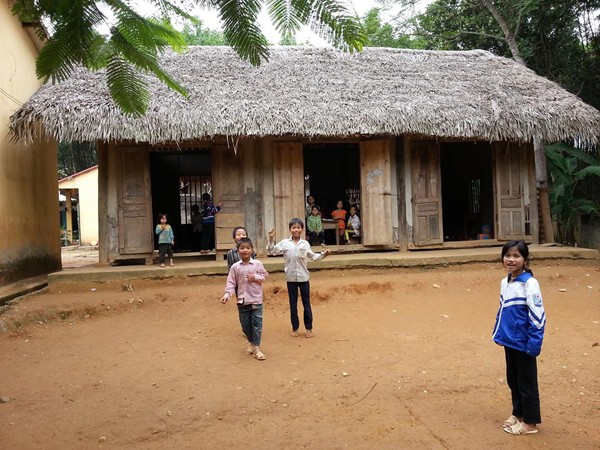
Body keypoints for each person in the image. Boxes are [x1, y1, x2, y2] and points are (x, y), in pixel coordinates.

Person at [492, 240, 546, 435]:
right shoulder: (505, 281)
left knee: (527, 382)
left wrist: (534, 343)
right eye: (507, 255)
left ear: (525, 260)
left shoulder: (530, 284)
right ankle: (519, 414)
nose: (511, 260)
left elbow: (538, 315)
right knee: (513, 379)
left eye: (516, 256)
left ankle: (530, 423)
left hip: (524, 342)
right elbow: (502, 310)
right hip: (510, 340)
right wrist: (499, 334)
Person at [267, 219, 331, 338]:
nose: (296, 230)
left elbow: (313, 257)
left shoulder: (305, 244)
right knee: (293, 304)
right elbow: (271, 251)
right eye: (293, 227)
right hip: (290, 278)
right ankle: (295, 328)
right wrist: (271, 238)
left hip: (303, 278)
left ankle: (309, 329)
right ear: (290, 229)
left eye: (298, 227)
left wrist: (324, 254)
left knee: (306, 304)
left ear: (302, 229)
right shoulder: (285, 243)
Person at [220, 238, 268, 360]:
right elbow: (231, 283)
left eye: (248, 248)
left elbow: (264, 276)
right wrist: (227, 295)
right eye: (242, 248)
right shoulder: (235, 267)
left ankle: (256, 348)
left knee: (257, 325)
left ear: (252, 250)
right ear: (237, 251)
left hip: (256, 300)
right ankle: (251, 343)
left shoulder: (258, 264)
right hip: (242, 301)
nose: (245, 250)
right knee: (245, 326)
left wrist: (255, 277)